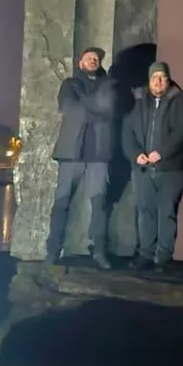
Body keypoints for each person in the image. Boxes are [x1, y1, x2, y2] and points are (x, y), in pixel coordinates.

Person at [46, 46, 117, 267]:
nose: (93, 60)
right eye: (89, 58)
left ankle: (99, 251)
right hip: (71, 154)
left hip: (99, 154)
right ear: (80, 63)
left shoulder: (109, 86)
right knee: (61, 202)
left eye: (96, 58)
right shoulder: (69, 84)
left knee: (100, 204)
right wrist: (94, 109)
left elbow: (109, 109)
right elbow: (69, 107)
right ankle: (53, 251)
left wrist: (84, 104)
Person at [122, 60, 183, 272]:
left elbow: (182, 131)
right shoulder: (137, 100)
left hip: (170, 168)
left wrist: (161, 153)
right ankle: (145, 254)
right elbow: (127, 131)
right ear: (149, 80)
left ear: (168, 79)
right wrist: (135, 154)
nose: (159, 81)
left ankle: (163, 257)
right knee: (145, 212)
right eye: (155, 77)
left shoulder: (180, 100)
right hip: (142, 168)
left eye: (163, 77)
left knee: (167, 213)